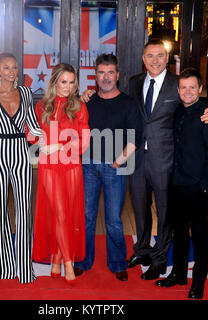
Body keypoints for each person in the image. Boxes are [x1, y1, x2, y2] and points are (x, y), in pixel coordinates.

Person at [126, 39, 208, 280]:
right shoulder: (133, 82)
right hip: (136, 158)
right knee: (139, 208)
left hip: (166, 160)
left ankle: (159, 260)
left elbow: (195, 104)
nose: (155, 60)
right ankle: (143, 250)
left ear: (166, 59)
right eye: (150, 56)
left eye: (160, 56)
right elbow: (125, 111)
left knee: (166, 212)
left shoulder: (176, 85)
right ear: (143, 58)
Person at [73, 54, 142, 282]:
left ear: (117, 75)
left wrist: (121, 160)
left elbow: (135, 136)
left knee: (113, 219)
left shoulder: (128, 103)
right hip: (88, 166)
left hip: (116, 167)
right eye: (102, 72)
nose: (106, 77)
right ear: (95, 75)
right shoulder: (88, 101)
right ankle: (83, 261)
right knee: (87, 216)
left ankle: (117, 263)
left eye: (110, 72)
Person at [155, 68, 208, 299]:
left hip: (198, 187)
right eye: (183, 87)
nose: (187, 91)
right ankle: (179, 274)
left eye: (192, 87)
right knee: (180, 232)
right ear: (178, 89)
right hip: (177, 183)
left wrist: (205, 185)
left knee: (200, 235)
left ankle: (198, 283)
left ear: (200, 89)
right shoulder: (177, 112)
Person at [0, 53, 42, 283]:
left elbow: (34, 126)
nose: (12, 71)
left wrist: (54, 141)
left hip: (20, 152)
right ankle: (2, 264)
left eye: (14, 67)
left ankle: (25, 267)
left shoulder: (26, 93)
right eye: (6, 67)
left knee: (24, 208)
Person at [30, 63, 90, 284]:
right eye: (63, 82)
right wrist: (42, 142)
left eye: (72, 82)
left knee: (68, 214)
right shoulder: (41, 106)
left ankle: (56, 259)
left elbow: (83, 139)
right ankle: (67, 263)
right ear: (54, 82)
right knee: (60, 213)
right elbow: (31, 135)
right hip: (49, 167)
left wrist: (57, 147)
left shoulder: (79, 107)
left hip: (72, 165)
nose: (68, 86)